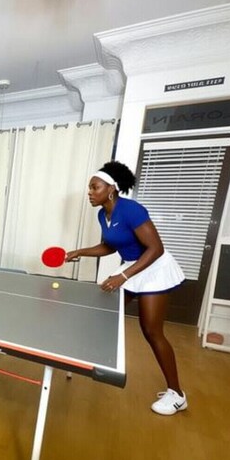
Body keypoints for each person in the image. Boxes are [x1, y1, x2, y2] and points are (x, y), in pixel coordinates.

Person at [65, 160, 188, 416]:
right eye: (89, 188)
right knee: (104, 311)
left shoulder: (131, 210)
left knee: (151, 330)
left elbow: (156, 249)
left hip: (153, 267)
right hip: (132, 266)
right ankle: (93, 360)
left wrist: (122, 275)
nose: (90, 192)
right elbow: (110, 246)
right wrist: (80, 252)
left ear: (111, 189)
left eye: (95, 187)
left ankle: (177, 394)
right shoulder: (103, 214)